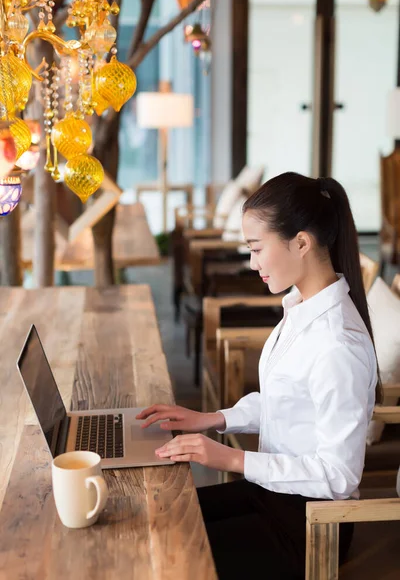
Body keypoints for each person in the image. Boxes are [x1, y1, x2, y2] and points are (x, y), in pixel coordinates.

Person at [136, 172, 381, 580]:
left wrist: (231, 457)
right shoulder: (301, 306)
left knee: (168, 553)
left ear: (301, 243)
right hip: (275, 495)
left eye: (256, 248)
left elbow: (338, 476)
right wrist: (213, 419)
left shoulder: (339, 344)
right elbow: (285, 400)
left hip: (311, 525)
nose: (252, 263)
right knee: (159, 520)